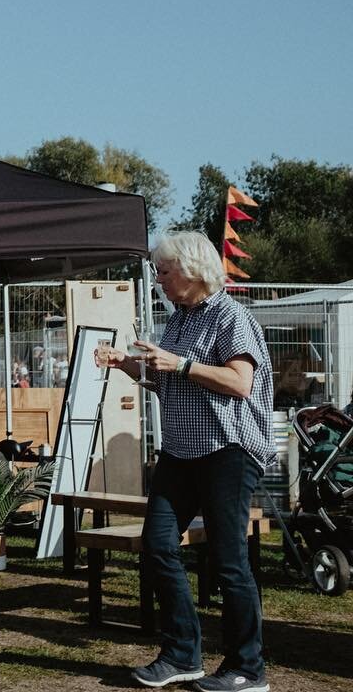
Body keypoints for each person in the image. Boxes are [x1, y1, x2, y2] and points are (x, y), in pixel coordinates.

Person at [97, 232, 274, 692]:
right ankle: (182, 655)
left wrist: (181, 365)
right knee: (157, 546)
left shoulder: (232, 316)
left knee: (229, 561)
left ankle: (247, 669)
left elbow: (239, 383)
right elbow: (162, 375)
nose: (158, 279)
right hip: (181, 450)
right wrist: (124, 363)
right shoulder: (178, 319)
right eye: (157, 270)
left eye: (164, 270)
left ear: (193, 270)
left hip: (227, 451)